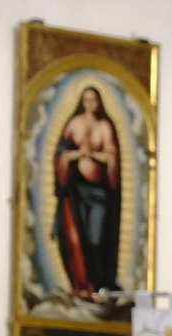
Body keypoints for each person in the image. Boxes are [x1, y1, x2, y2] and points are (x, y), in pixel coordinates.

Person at [53, 85, 122, 300]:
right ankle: (83, 286)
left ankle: (99, 284)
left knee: (96, 239)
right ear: (82, 102)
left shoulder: (104, 126)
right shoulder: (74, 124)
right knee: (78, 238)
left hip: (98, 193)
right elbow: (62, 154)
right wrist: (77, 154)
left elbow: (111, 158)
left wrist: (92, 154)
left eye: (93, 100)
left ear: (99, 102)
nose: (90, 103)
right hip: (77, 190)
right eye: (86, 100)